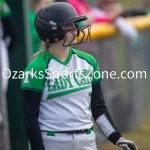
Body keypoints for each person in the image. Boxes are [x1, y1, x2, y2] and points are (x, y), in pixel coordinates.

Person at [21, 2, 138, 150]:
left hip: (86, 141)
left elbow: (98, 109)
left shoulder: (88, 61)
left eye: (76, 25)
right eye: (69, 26)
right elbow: (30, 118)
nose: (76, 30)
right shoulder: (37, 67)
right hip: (53, 142)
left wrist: (116, 137)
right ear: (52, 31)